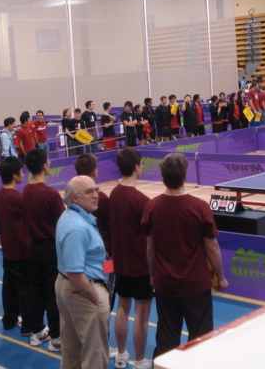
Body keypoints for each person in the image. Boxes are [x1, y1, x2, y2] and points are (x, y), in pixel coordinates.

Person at [141, 153, 228, 360]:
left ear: (163, 176)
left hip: (165, 285)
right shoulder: (199, 207)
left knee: (167, 339)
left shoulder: (152, 207)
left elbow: (150, 248)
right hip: (195, 286)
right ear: (185, 175)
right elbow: (212, 248)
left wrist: (152, 275)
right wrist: (221, 278)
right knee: (200, 340)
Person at [55, 175, 110, 369]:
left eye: (96, 190)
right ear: (75, 198)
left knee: (72, 351)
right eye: (89, 192)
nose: (96, 195)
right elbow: (75, 274)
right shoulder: (77, 228)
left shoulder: (72, 217)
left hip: (70, 288)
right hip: (83, 291)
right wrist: (96, 298)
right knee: (95, 356)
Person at [110, 148, 152, 369]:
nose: (142, 167)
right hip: (141, 266)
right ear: (136, 167)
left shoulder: (113, 194)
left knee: (122, 308)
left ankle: (120, 354)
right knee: (142, 314)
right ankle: (140, 360)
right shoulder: (142, 200)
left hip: (120, 264)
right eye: (142, 164)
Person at [22, 148, 65, 351]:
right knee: (52, 292)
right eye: (48, 161)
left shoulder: (26, 190)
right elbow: (63, 220)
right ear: (44, 165)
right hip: (50, 248)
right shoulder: (50, 193)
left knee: (36, 290)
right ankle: (56, 337)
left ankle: (37, 331)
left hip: (34, 247)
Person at [0, 156, 31, 331]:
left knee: (9, 286)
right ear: (14, 175)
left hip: (7, 249)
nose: (23, 174)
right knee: (25, 289)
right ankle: (29, 325)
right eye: (21, 172)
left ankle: (9, 319)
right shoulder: (17, 197)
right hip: (21, 250)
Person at [74, 154, 110, 255]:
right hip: (102, 249)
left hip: (80, 248)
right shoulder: (101, 198)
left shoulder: (73, 198)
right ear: (94, 172)